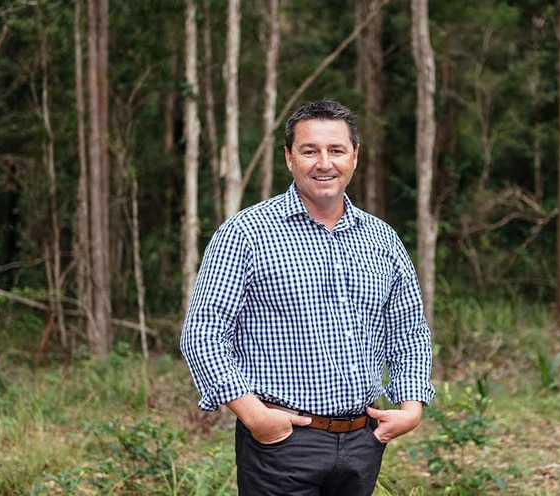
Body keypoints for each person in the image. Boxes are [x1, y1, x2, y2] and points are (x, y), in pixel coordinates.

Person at [180, 99, 435, 496]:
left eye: (335, 150)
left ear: (354, 156)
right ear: (289, 158)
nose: (324, 162)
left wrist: (411, 408)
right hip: (281, 443)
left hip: (362, 441)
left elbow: (409, 331)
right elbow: (203, 333)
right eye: (309, 150)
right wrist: (256, 417)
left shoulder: (382, 239)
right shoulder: (246, 233)